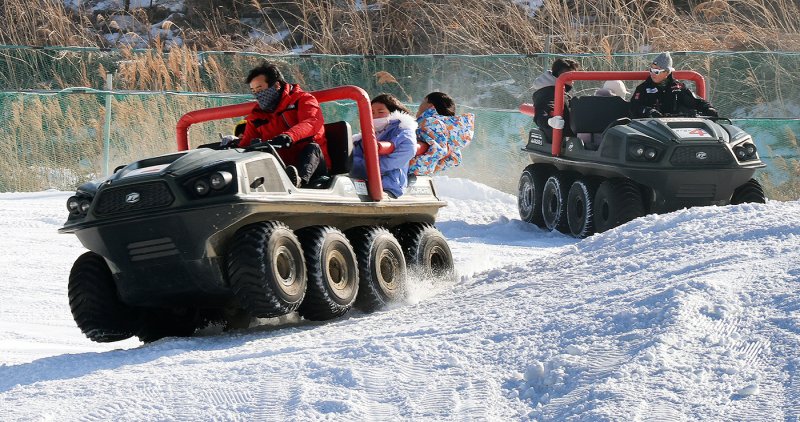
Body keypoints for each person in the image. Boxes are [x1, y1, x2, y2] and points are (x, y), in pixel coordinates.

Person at [226, 62, 331, 188]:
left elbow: (311, 122)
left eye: (260, 90)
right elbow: (247, 142)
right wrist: (232, 148)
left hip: (313, 167)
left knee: (312, 148)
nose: (258, 95)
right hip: (278, 167)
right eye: (254, 91)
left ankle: (298, 182)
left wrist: (289, 136)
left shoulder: (302, 100)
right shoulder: (257, 115)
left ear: (276, 85)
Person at [351, 94, 417, 199]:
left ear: (392, 111)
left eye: (381, 112)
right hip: (364, 177)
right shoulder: (367, 134)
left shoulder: (402, 130)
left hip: (389, 181)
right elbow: (357, 154)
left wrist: (374, 168)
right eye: (372, 112)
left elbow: (407, 150)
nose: (375, 115)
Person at [630, 52, 718, 118]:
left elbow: (696, 101)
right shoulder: (643, 88)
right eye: (651, 70)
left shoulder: (678, 87)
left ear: (667, 72)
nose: (652, 74)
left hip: (675, 126)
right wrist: (648, 111)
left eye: (656, 71)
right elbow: (634, 107)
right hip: (651, 127)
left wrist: (708, 109)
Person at [408, 92, 475, 176]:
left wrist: (409, 167)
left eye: (423, 102)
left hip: (414, 170)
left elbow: (438, 151)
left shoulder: (431, 123)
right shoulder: (450, 133)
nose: (419, 106)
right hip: (421, 173)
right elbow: (454, 158)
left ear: (430, 106)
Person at [531, 58, 580, 143]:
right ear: (562, 75)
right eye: (571, 77)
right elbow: (540, 114)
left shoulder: (559, 90)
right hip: (563, 141)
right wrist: (550, 122)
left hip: (569, 137)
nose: (573, 81)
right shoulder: (548, 92)